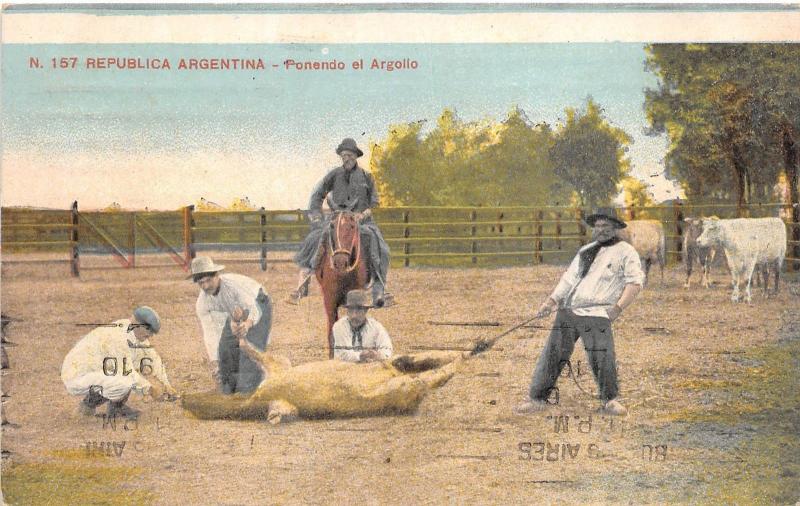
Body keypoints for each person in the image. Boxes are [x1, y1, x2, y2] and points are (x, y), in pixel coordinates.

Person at [515, 208, 645, 416]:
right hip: (569, 310)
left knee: (602, 356)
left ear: (615, 229)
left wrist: (618, 308)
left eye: (605, 226)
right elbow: (569, 279)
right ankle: (538, 398)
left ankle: (610, 401)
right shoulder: (586, 251)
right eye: (597, 226)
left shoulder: (626, 252)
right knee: (553, 353)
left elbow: (635, 283)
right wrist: (551, 301)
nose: (600, 230)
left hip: (598, 313)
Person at [289, 138, 391, 307]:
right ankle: (302, 284)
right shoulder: (334, 175)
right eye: (344, 155)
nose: (346, 158)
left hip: (362, 222)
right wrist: (316, 215)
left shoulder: (367, 177)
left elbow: (375, 204)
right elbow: (317, 195)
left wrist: (362, 215)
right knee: (315, 239)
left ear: (356, 156)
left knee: (381, 248)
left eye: (350, 155)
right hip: (337, 219)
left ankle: (379, 290)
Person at [61, 306, 177, 419]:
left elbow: (153, 359)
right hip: (77, 375)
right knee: (124, 381)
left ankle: (113, 407)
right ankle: (88, 408)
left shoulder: (133, 332)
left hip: (92, 372)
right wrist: (150, 389)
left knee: (126, 371)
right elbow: (127, 372)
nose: (150, 335)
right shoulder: (118, 337)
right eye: (148, 329)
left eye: (152, 332)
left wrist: (166, 384)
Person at [191, 256, 273, 394]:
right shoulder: (202, 302)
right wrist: (215, 362)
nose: (205, 286)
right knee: (225, 350)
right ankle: (231, 392)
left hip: (258, 302)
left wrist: (247, 325)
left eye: (209, 280)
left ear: (217, 275)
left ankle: (252, 390)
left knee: (250, 352)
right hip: (236, 312)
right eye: (201, 283)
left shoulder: (233, 288)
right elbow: (210, 332)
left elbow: (254, 310)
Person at [332, 290, 393, 362]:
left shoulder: (376, 327)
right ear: (347, 311)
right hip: (343, 370)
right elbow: (343, 354)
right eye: (351, 310)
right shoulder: (339, 326)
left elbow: (387, 350)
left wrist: (377, 355)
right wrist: (360, 356)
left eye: (358, 311)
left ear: (365, 310)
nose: (354, 316)